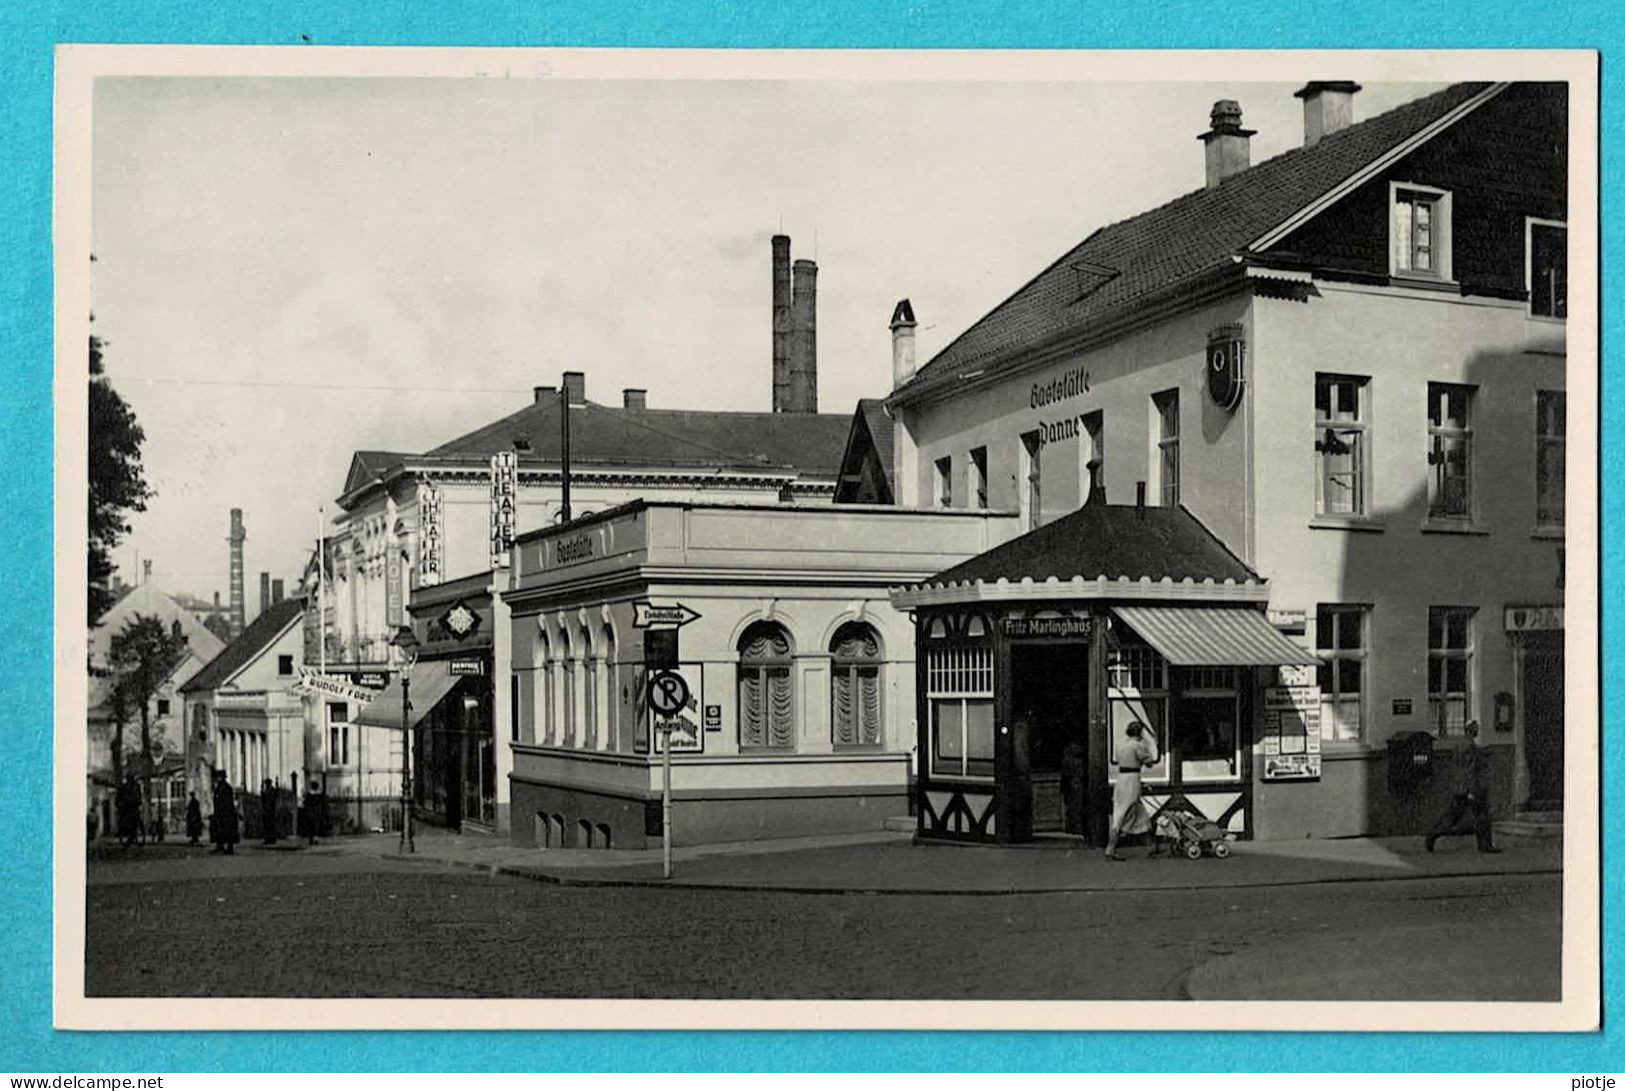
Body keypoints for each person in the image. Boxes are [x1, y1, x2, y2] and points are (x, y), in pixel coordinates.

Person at [1425, 720, 1502, 854]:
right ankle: (1485, 845)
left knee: (1453, 816)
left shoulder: (1458, 745)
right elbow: (1470, 770)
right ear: (1471, 730)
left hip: (1459, 787)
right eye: (1475, 728)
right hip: (1471, 788)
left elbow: (1457, 768)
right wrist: (1471, 791)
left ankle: (1433, 834)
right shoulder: (1470, 747)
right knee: (1483, 815)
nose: (1477, 730)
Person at [1105, 721, 1160, 861]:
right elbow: (1149, 762)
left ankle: (1152, 846)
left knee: (1137, 813)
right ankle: (1111, 848)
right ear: (1140, 732)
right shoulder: (1138, 745)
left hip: (1121, 779)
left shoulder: (1121, 745)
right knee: (1124, 813)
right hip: (1132, 780)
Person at [212, 772, 240, 855]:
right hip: (220, 812)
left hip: (226, 813)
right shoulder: (219, 788)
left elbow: (227, 802)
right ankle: (220, 846)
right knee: (220, 830)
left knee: (228, 831)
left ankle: (229, 847)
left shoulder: (227, 788)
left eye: (219, 777)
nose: (218, 779)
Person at [115, 775, 141, 849]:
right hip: (131, 806)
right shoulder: (132, 786)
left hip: (131, 806)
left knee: (129, 819)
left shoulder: (128, 787)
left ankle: (129, 835)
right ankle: (129, 834)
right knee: (130, 819)